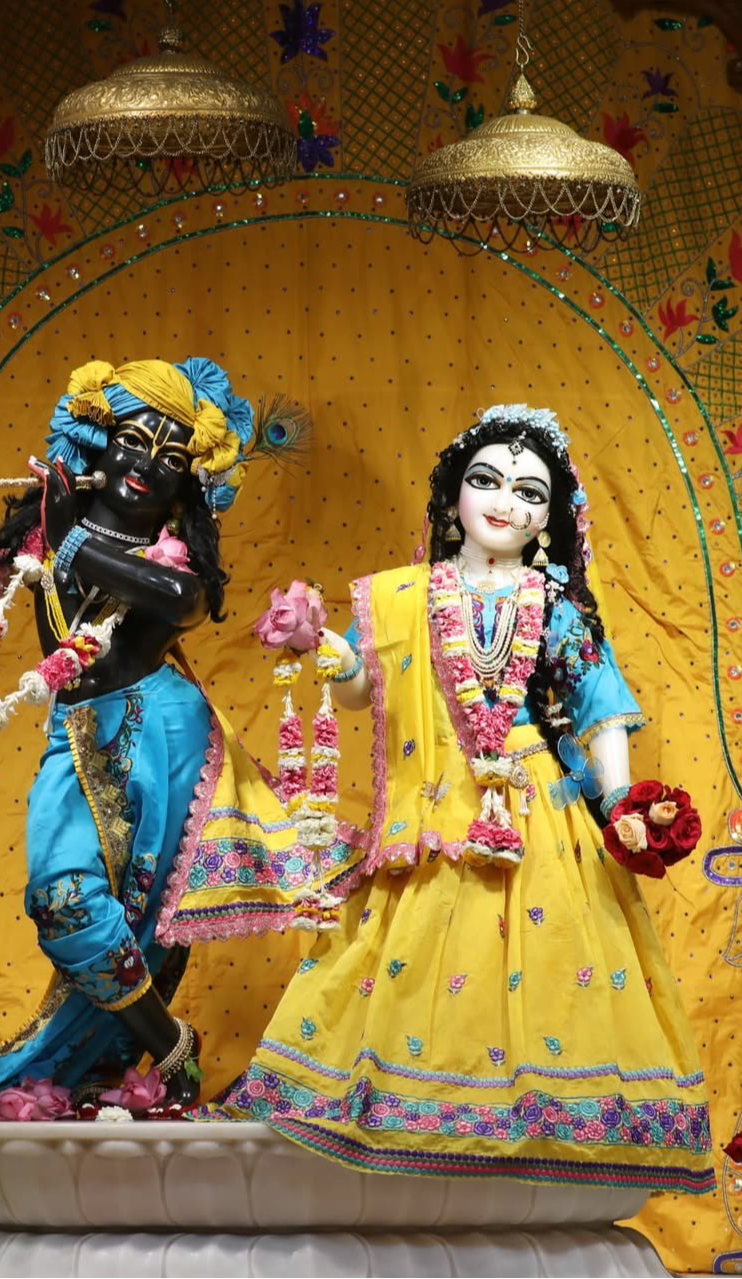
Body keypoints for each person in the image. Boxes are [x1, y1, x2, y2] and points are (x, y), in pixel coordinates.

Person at [215, 404, 714, 1192]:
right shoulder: (404, 596)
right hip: (437, 807)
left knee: (553, 971)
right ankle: (418, 1131)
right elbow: (364, 693)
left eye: (529, 492)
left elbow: (599, 706)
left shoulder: (556, 604)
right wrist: (333, 650)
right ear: (453, 494)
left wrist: (623, 801)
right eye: (487, 479)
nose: (505, 501)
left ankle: (532, 1140)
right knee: (412, 967)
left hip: (537, 808)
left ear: (549, 519)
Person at [0, 357, 322, 1114]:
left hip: (161, 737)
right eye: (132, 440)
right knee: (62, 899)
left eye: (172, 456)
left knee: (144, 919)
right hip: (76, 732)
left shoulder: (163, 554)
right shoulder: (42, 532)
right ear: (95, 441)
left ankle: (124, 1067)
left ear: (188, 479)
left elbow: (180, 598)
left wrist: (69, 537)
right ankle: (169, 1044)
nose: (146, 464)